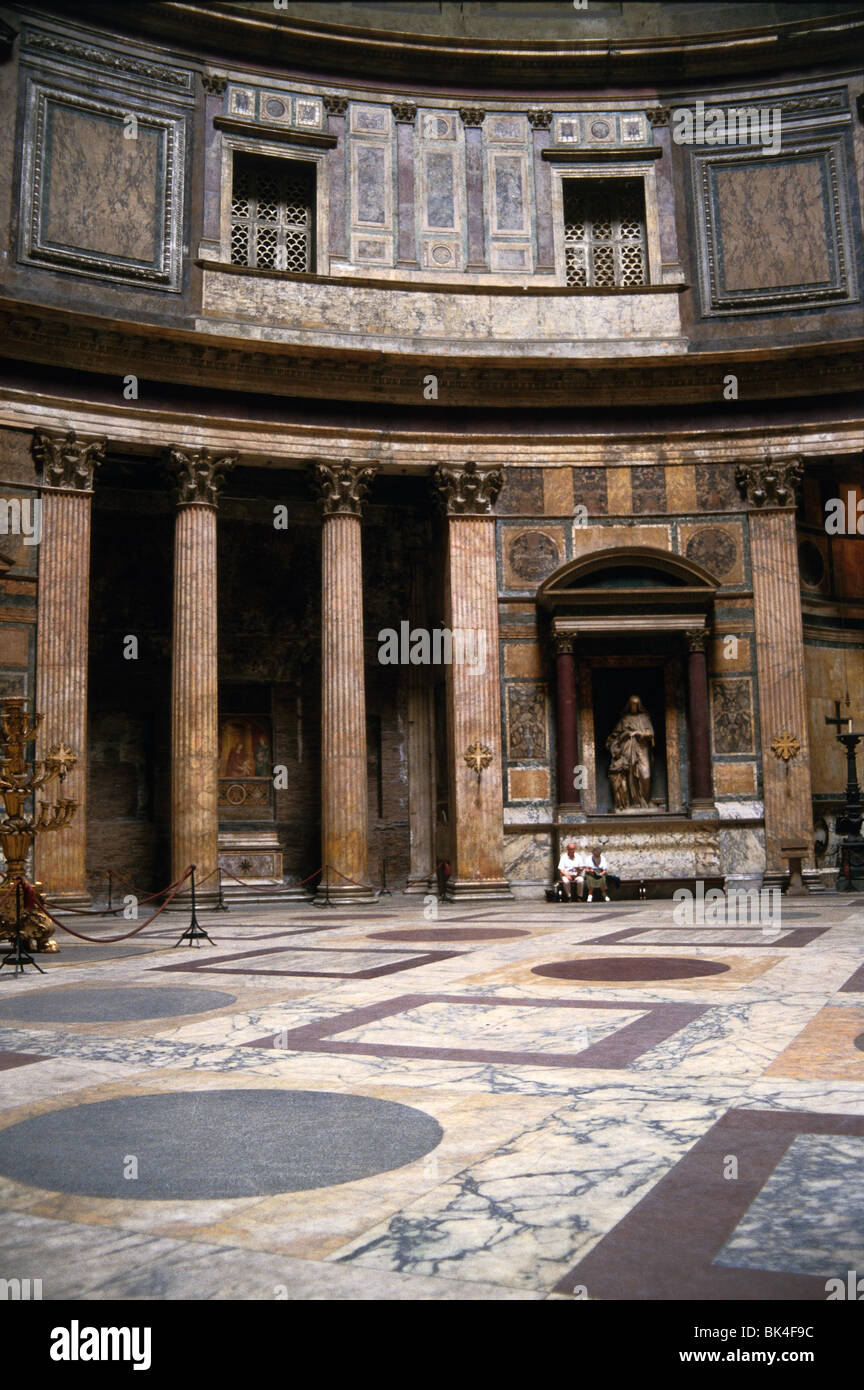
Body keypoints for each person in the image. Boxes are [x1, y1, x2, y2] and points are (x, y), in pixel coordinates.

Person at [606, 694, 655, 809]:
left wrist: (640, 733)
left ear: (639, 705)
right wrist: (626, 734)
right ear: (629, 705)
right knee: (629, 774)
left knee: (645, 774)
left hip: (642, 749)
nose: (634, 707)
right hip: (627, 749)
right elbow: (614, 737)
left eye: (636, 704)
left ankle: (645, 800)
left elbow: (650, 733)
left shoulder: (644, 717)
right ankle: (633, 803)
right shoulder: (624, 719)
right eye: (632, 704)